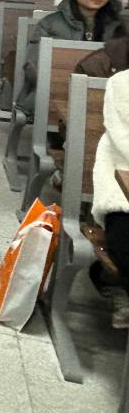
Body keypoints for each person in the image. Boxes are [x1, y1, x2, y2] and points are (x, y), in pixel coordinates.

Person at [17, 0, 125, 112]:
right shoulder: (50, 23)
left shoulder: (117, 27)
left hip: (106, 101)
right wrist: (62, 90)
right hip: (51, 97)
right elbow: (32, 66)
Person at [90, 70, 129, 327]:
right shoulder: (122, 85)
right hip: (122, 199)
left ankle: (111, 280)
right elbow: (124, 142)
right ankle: (111, 278)